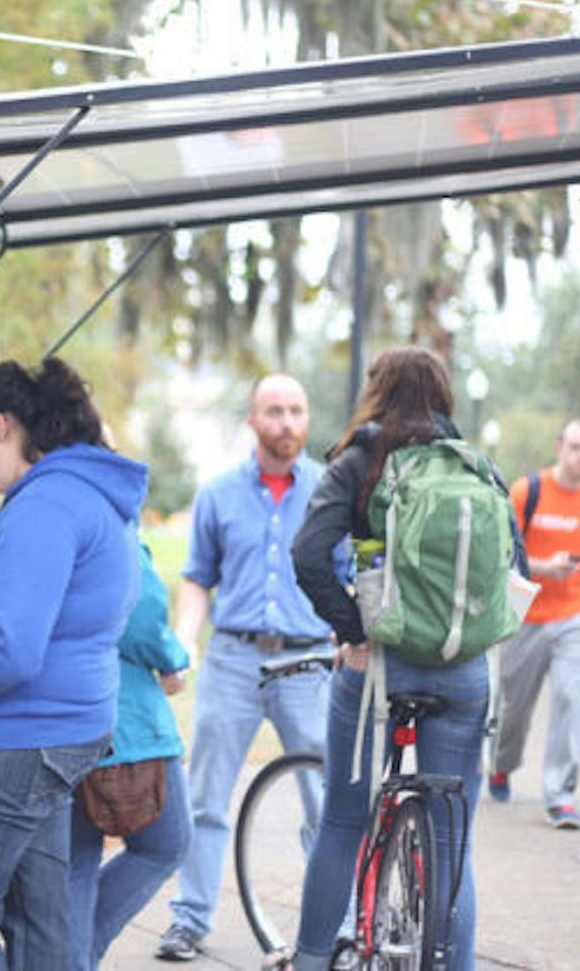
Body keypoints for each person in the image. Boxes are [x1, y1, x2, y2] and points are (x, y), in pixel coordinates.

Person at [0, 358, 147, 970]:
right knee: (39, 920)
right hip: (52, 733)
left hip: (8, 740)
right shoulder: (85, 494)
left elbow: (12, 650)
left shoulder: (45, 506)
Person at [286, 345, 500, 971]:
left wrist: (353, 628)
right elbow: (513, 563)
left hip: (379, 666)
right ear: (444, 396)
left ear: (376, 392)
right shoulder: (477, 466)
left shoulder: (359, 462)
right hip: (463, 671)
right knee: (451, 844)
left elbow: (307, 554)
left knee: (343, 823)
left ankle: (310, 961)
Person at [157, 374, 334, 962]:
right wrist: (186, 640)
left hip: (308, 660)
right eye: (274, 411)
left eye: (296, 410)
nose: (287, 422)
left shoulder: (331, 491)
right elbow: (197, 579)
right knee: (204, 795)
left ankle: (328, 926)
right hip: (233, 658)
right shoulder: (217, 494)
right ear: (253, 421)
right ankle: (189, 919)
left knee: (323, 798)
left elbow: (352, 578)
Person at [488, 419, 580, 829]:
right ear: (559, 446)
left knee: (570, 699)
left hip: (576, 619)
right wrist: (544, 567)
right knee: (514, 709)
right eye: (575, 446)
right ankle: (501, 764)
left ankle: (561, 796)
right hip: (524, 617)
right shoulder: (526, 492)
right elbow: (501, 550)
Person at [68, 543, 191, 969]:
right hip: (124, 721)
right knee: (166, 841)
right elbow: (141, 616)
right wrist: (173, 659)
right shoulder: (110, 517)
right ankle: (75, 957)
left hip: (60, 713)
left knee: (75, 864)